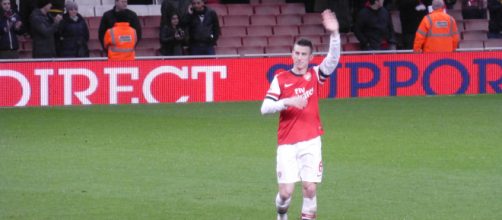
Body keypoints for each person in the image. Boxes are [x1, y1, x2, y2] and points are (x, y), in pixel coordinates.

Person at [260, 9, 340, 220]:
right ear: (292, 54)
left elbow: (332, 61)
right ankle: (281, 212)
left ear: (310, 57)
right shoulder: (281, 78)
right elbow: (265, 108)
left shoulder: (314, 75)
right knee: (286, 193)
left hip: (311, 141)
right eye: (296, 53)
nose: (299, 58)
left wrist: (335, 35)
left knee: (310, 188)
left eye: (304, 54)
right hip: (286, 143)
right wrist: (287, 101)